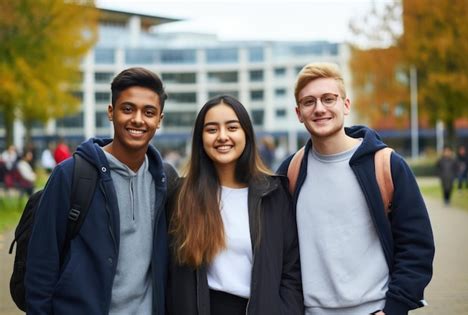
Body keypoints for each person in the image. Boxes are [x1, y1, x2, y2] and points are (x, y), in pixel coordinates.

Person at [277, 62, 434, 315]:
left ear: (346, 105)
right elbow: (280, 253)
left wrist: (394, 308)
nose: (319, 109)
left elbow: (417, 246)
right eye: (309, 102)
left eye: (329, 99)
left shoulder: (386, 165)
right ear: (298, 113)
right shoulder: (289, 172)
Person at [25, 67, 177, 315]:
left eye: (149, 112)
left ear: (159, 119)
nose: (138, 119)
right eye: (127, 109)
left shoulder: (166, 180)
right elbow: (41, 264)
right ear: (111, 112)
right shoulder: (71, 175)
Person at [167, 95, 303, 315]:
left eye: (232, 127)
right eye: (211, 130)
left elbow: (291, 272)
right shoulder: (181, 196)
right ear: (200, 138)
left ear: (246, 134)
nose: (222, 137)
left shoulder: (274, 195)